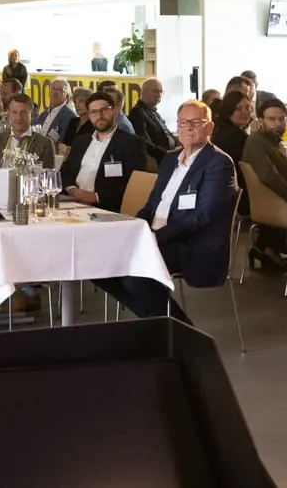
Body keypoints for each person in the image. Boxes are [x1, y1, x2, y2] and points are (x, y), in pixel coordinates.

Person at [96, 100, 237, 321]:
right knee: (98, 262)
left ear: (210, 127)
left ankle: (180, 330)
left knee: (137, 270)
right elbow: (151, 205)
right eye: (183, 122)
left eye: (196, 122)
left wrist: (154, 237)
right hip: (155, 237)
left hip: (190, 246)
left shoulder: (218, 163)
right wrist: (135, 230)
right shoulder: (171, 159)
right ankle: (160, 323)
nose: (188, 127)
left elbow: (201, 217)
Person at [243, 99, 287, 272]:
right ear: (261, 121)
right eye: (272, 119)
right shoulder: (257, 142)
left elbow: (284, 175)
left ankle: (265, 246)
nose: (278, 123)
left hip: (273, 203)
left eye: (281, 119)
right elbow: (268, 176)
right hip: (276, 206)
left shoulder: (271, 141)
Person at [60, 93, 147, 212]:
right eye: (94, 112)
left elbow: (133, 183)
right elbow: (66, 170)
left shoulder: (131, 143)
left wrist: (96, 197)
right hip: (71, 202)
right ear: (89, 116)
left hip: (104, 207)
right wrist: (72, 190)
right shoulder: (81, 141)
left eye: (104, 110)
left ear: (114, 111)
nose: (99, 116)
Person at [0, 94, 56, 168]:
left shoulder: (45, 144)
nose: (19, 117)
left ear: (31, 114)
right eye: (14, 112)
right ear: (8, 114)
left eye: (23, 112)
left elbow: (48, 174)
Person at [128, 77, 174, 162]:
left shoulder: (154, 112)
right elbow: (143, 142)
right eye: (156, 91)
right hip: (159, 159)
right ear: (144, 92)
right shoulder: (137, 113)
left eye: (161, 92)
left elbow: (166, 133)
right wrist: (166, 154)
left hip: (170, 154)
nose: (159, 95)